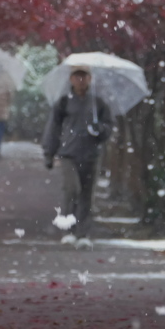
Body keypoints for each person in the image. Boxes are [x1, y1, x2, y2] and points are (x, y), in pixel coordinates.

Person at [41, 64, 113, 249]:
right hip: (68, 154)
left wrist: (101, 130)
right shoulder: (64, 102)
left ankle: (83, 233)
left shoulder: (98, 103)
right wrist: (49, 152)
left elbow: (109, 127)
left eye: (84, 76)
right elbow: (53, 128)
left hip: (91, 155)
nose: (81, 80)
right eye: (77, 76)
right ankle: (69, 230)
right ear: (71, 79)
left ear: (90, 79)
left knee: (87, 195)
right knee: (72, 190)